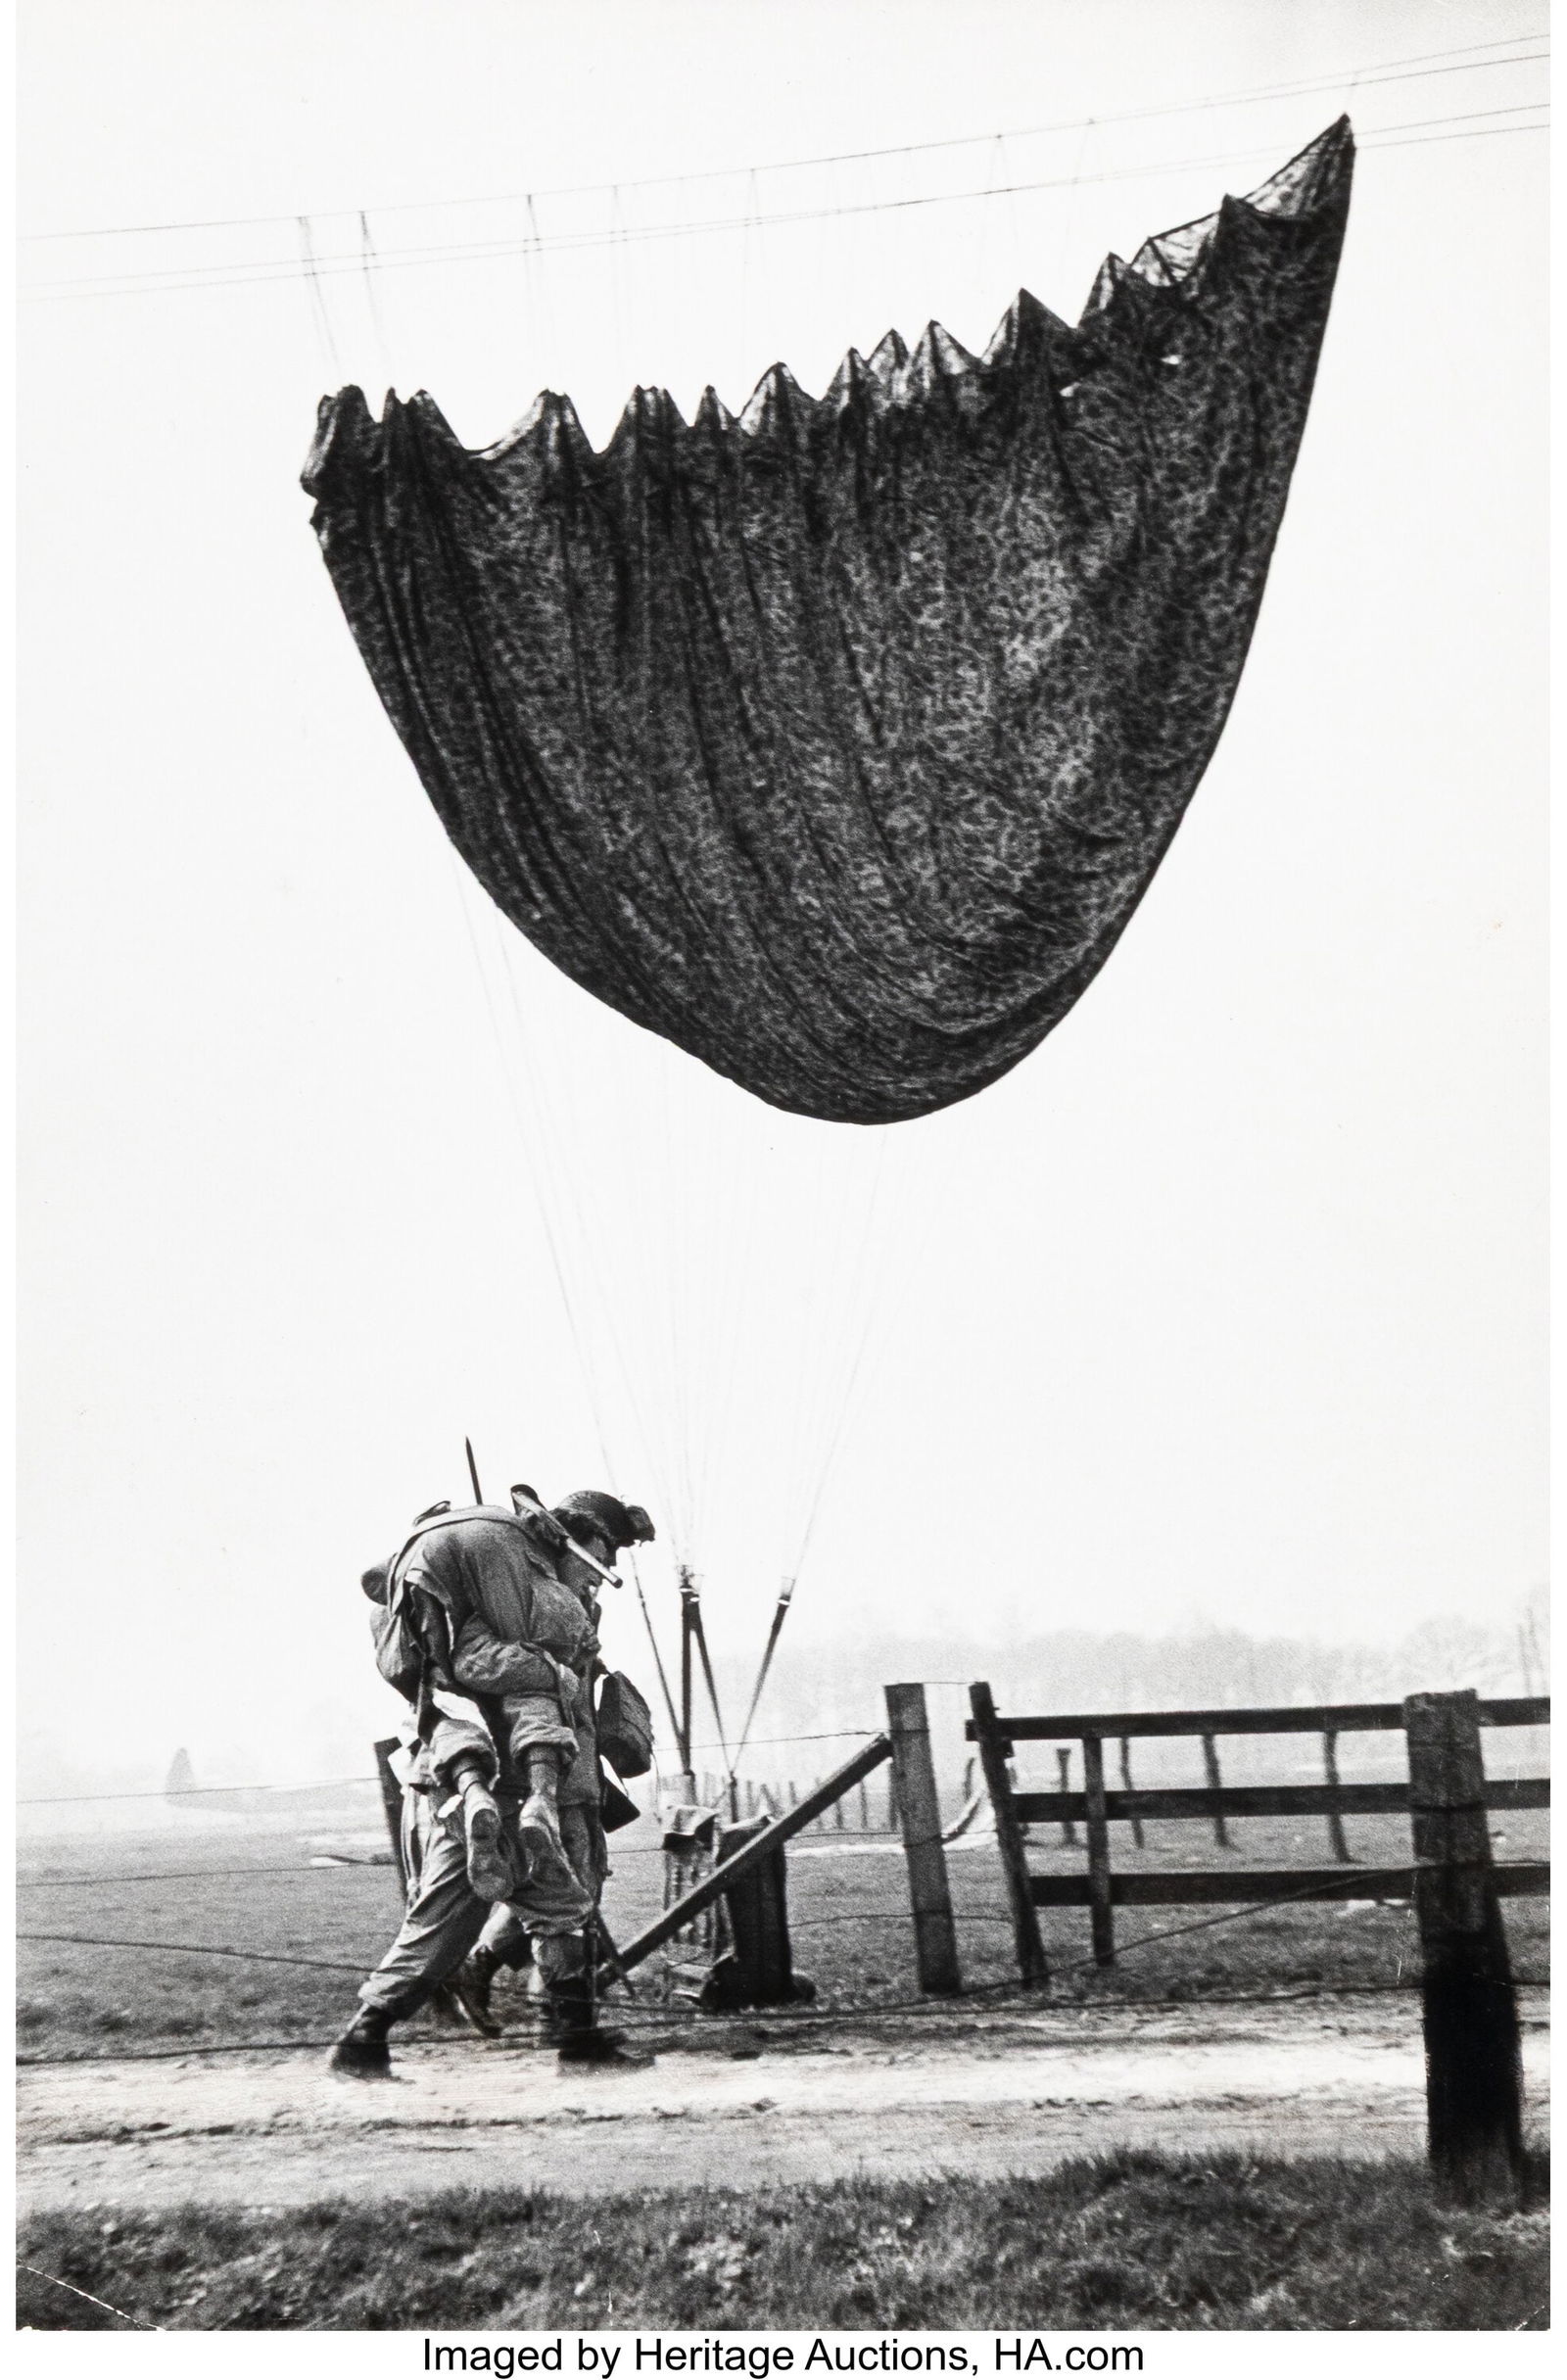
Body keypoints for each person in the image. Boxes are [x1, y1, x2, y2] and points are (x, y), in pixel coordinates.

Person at [331, 1485, 655, 2076]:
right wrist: (558, 1675)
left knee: (470, 1919)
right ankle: (574, 2040)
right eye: (605, 1554)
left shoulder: (527, 1606)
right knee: (542, 1908)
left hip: (478, 1782)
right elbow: (496, 1680)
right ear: (580, 1542)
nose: (604, 1571)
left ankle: (365, 2038)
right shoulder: (526, 1609)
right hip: (509, 1782)